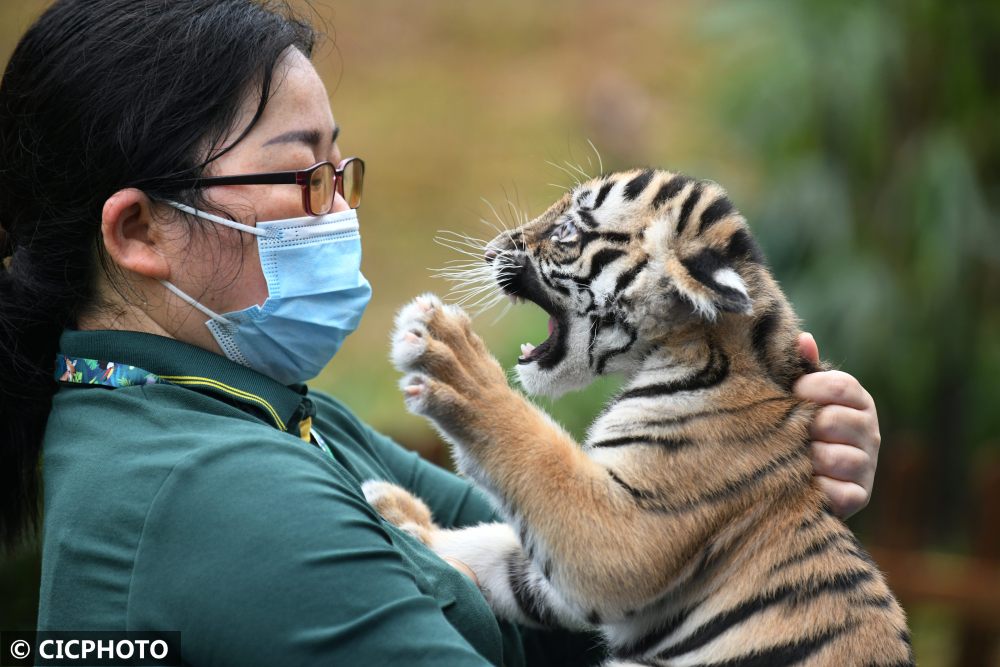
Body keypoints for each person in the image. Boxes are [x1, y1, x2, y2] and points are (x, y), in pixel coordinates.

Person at [0, 1, 881, 664]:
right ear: (139, 232)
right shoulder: (216, 493)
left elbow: (590, 573)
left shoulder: (266, 414)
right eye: (297, 175)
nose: (338, 211)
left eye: (338, 169)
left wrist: (744, 493)